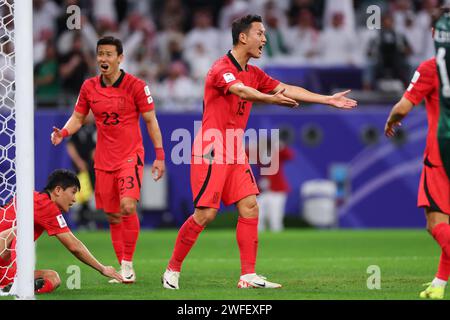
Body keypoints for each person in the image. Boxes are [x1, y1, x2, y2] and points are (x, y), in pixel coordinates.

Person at [162, 14, 356, 290]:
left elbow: (286, 88)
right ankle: (172, 270)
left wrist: (326, 100)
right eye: (260, 34)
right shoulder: (221, 68)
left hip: (235, 149)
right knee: (205, 215)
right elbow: (240, 91)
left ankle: (248, 276)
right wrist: (270, 99)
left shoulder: (254, 73)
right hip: (211, 148)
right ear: (243, 37)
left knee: (250, 206)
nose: (265, 39)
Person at [51, 36, 166, 284]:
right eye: (100, 54)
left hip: (130, 156)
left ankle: (126, 264)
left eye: (108, 54)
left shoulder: (136, 86)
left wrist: (159, 155)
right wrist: (63, 132)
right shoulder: (89, 87)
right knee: (113, 215)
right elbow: (78, 117)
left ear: (120, 58)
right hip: (103, 160)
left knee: (128, 206)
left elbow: (150, 120)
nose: (103, 59)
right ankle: (125, 270)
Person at [385, 7, 450, 300]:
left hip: (440, 156)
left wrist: (392, 119)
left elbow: (403, 106)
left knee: (435, 224)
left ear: (435, 34)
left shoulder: (431, 67)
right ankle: (438, 285)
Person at [0, 169, 123, 294]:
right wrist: (102, 268)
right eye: (73, 192)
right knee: (19, 231)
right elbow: (74, 246)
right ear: (58, 190)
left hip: (4, 266)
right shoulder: (44, 205)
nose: (74, 199)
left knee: (53, 278)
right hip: (5, 259)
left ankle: (13, 286)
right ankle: (17, 283)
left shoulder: (39, 201)